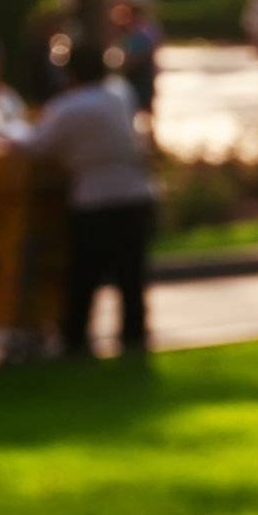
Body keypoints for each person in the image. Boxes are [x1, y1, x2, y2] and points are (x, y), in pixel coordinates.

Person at [26, 42, 156, 356]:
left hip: (93, 199)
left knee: (83, 275)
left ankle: (75, 339)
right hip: (136, 193)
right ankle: (134, 339)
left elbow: (38, 147)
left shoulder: (68, 107)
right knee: (131, 276)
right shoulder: (119, 93)